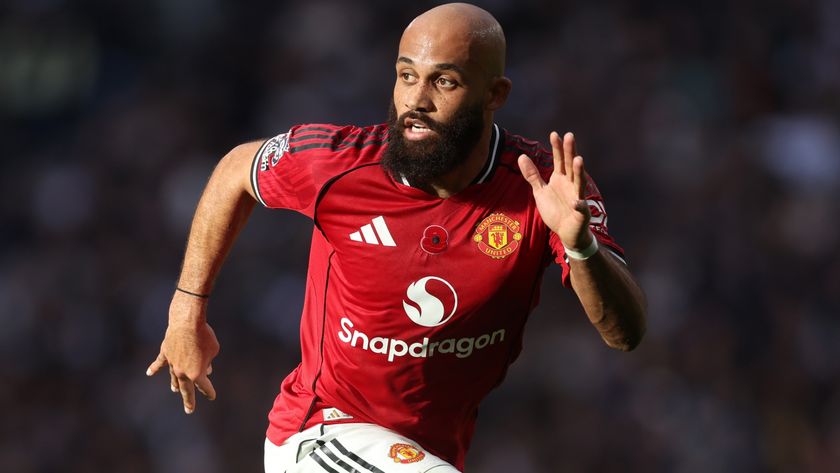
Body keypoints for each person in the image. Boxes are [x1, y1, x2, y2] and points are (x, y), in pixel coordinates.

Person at [146, 3, 647, 472]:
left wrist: (581, 247)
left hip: (431, 449)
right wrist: (187, 309)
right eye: (406, 76)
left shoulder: (543, 188)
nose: (417, 101)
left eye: (444, 82)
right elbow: (237, 169)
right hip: (320, 432)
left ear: (495, 95)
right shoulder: (340, 164)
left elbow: (625, 334)